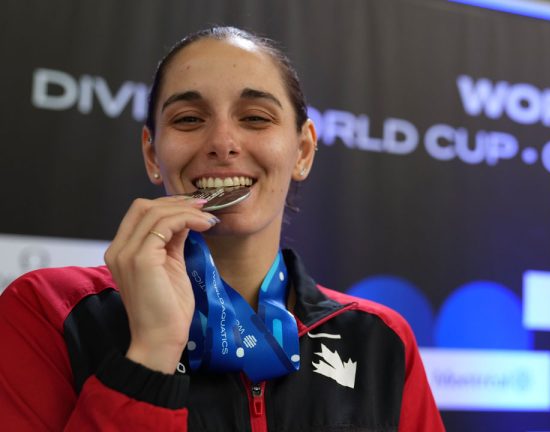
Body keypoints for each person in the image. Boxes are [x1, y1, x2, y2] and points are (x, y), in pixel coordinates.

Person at [0, 26, 444, 431]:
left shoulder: (381, 340)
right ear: (153, 154)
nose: (222, 144)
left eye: (255, 117)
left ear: (303, 151)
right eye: (189, 119)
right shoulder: (50, 312)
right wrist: (151, 354)